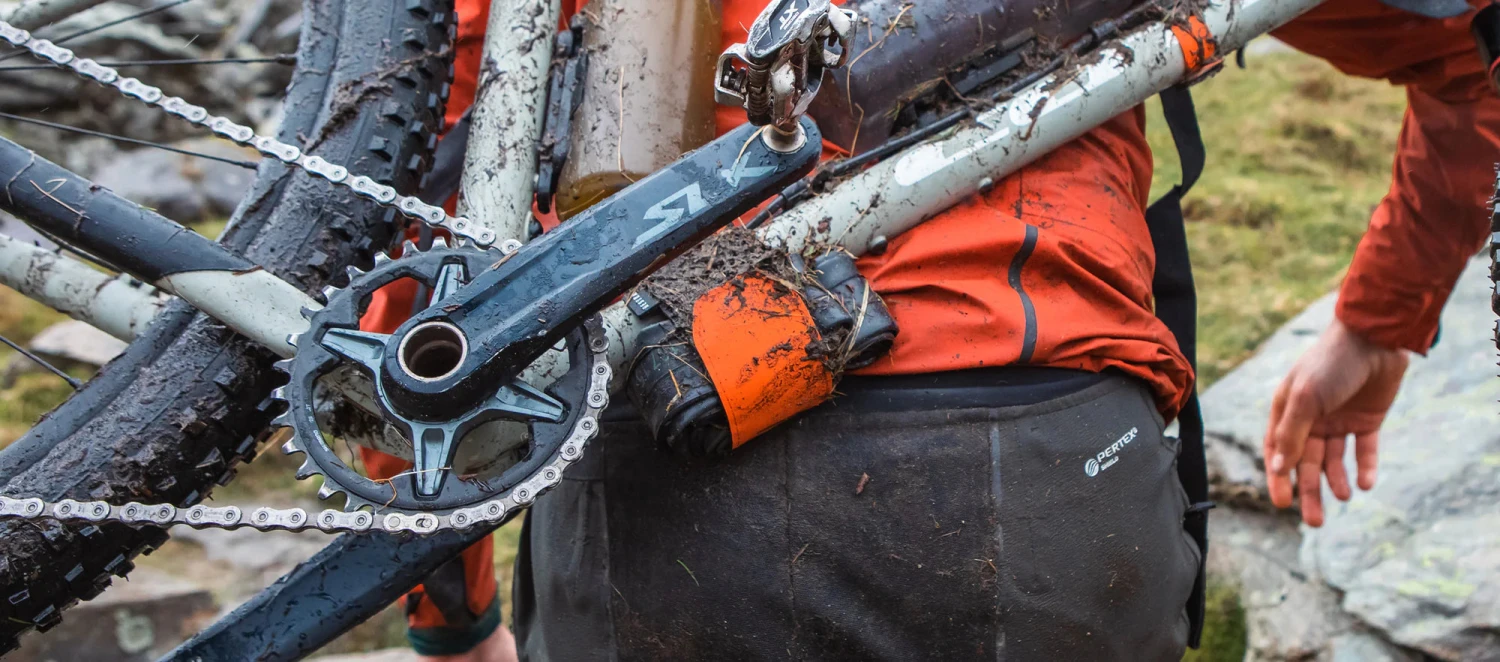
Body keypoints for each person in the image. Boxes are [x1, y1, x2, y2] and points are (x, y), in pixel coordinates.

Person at [365, 0, 1500, 659]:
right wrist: (1379, 321)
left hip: (657, 477)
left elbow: (417, 219)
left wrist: (450, 609)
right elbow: (1473, 44)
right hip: (1041, 464)